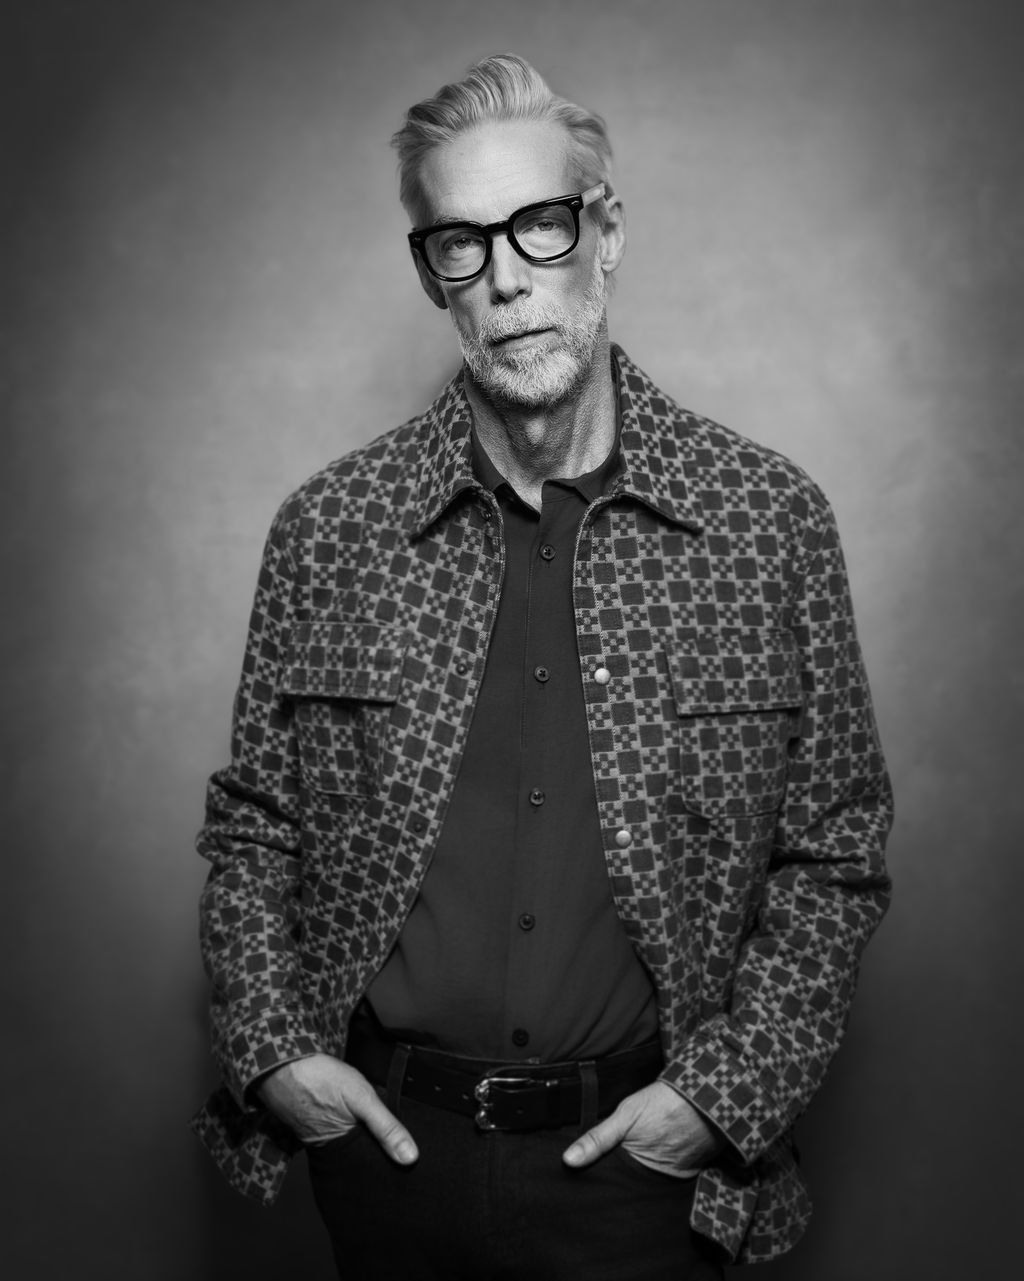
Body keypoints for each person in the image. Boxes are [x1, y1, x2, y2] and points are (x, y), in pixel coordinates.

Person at [192, 53, 893, 1280]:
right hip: (388, 1161)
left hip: (643, 1175)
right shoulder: (329, 528)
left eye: (540, 225)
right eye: (460, 243)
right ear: (432, 276)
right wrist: (270, 1055)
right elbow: (256, 829)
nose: (507, 276)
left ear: (604, 233)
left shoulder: (765, 519)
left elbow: (832, 854)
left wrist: (720, 1103)